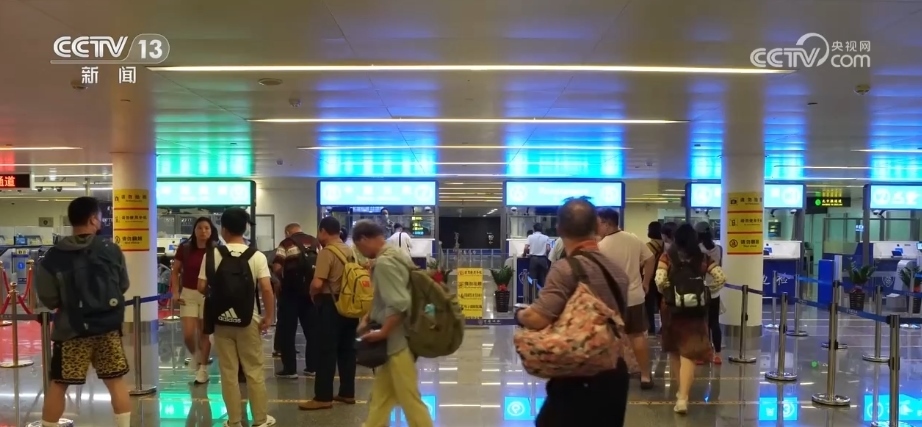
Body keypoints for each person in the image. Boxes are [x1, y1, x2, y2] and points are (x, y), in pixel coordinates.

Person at [516, 198, 632, 426]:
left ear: (559, 229)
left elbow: (538, 317)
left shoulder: (566, 269)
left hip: (580, 371)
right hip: (615, 372)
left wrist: (519, 315)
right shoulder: (616, 271)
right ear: (596, 227)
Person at [35, 196, 132, 427]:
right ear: (93, 220)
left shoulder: (53, 256)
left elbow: (49, 298)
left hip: (71, 330)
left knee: (59, 384)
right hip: (107, 328)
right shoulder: (111, 250)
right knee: (115, 381)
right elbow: (123, 285)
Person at [197, 208, 276, 427]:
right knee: (254, 370)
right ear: (245, 229)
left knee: (228, 372)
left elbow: (201, 286)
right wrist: (269, 317)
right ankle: (260, 419)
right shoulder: (257, 256)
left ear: (223, 229)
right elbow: (266, 289)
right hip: (249, 319)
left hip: (221, 320)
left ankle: (234, 421)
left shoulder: (211, 254)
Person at [352, 220, 434, 427]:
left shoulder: (385, 263)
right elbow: (389, 296)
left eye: (359, 247)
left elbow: (399, 303)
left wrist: (383, 332)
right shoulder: (398, 255)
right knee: (381, 398)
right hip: (398, 340)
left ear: (364, 239)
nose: (361, 253)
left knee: (410, 399)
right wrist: (369, 316)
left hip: (397, 343)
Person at [655, 223, 726, 415]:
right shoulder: (703, 258)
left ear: (676, 239)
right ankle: (683, 397)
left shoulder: (667, 256)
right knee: (689, 353)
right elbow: (721, 277)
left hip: (671, 310)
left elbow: (659, 280)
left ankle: (681, 392)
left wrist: (667, 291)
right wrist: (707, 291)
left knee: (674, 351)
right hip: (696, 310)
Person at [300, 216, 358, 411]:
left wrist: (311, 293)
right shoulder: (350, 250)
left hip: (331, 305)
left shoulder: (327, 252)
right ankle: (347, 392)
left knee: (326, 351)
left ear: (323, 231)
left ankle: (323, 397)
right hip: (350, 304)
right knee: (347, 350)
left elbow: (318, 283)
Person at [596, 209, 655, 389]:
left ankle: (614, 375)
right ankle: (645, 376)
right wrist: (646, 282)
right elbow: (650, 259)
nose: (596, 227)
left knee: (612, 338)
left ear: (607, 223)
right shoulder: (633, 239)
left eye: (598, 223)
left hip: (612, 300)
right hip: (635, 296)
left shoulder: (600, 246)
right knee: (638, 336)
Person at [171, 216, 218, 384]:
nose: (203, 231)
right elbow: (175, 271)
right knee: (188, 334)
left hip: (208, 294)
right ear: (194, 230)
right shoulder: (185, 248)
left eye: (207, 228)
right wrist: (175, 292)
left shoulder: (216, 249)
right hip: (188, 293)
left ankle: (203, 369)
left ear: (211, 231)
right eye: (199, 228)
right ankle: (196, 355)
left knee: (205, 332)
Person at [271, 223, 320, 378]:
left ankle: (290, 369)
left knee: (287, 331)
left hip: (290, 293)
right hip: (310, 294)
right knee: (312, 331)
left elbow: (277, 266)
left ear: (287, 232)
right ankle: (312, 367)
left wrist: (280, 280)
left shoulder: (286, 243)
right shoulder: (315, 242)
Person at [695, 221, 724, 365]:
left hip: (701, 290)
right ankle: (717, 354)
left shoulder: (698, 249)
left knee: (702, 323)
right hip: (714, 290)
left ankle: (703, 355)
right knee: (714, 322)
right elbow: (719, 267)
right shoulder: (718, 249)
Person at [644, 222, 665, 335]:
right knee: (663, 303)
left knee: (649, 305)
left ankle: (651, 328)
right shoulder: (666, 245)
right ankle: (664, 327)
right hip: (663, 277)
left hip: (651, 277)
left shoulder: (648, 246)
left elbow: (643, 262)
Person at [525, 223, 551, 289]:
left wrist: (525, 253)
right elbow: (548, 249)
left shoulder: (530, 237)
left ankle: (532, 294)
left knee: (532, 279)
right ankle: (543, 294)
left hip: (533, 259)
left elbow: (526, 248)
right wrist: (546, 254)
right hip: (543, 259)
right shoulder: (546, 237)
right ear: (541, 229)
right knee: (543, 279)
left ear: (534, 229)